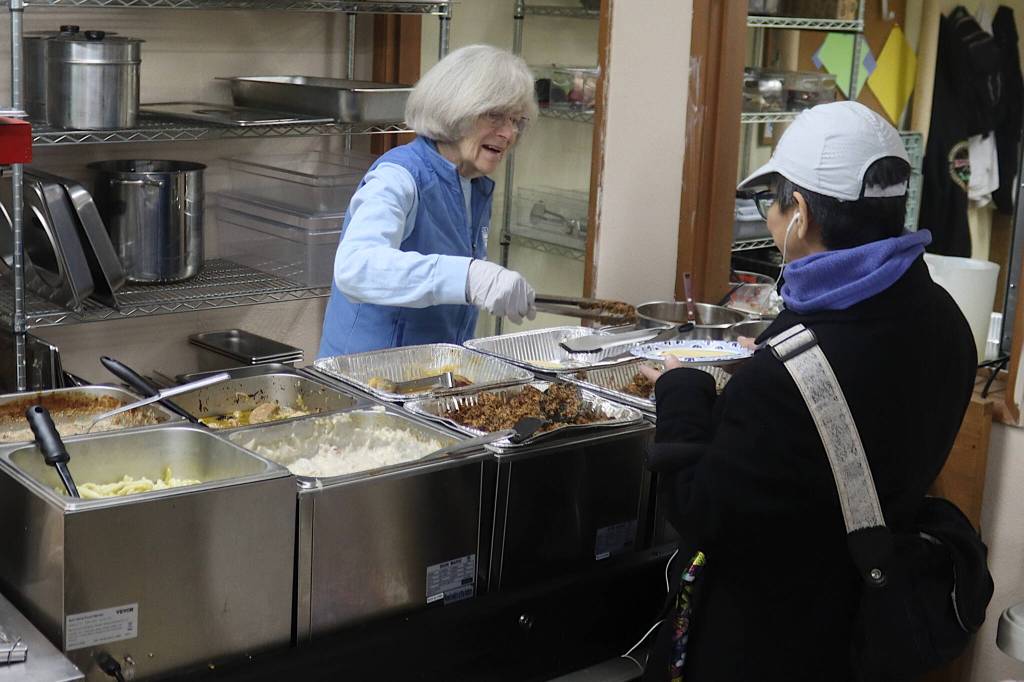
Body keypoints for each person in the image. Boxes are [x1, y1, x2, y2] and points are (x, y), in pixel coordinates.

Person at [639, 101, 977, 681]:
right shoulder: (945, 317)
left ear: (799, 212)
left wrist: (681, 388)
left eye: (770, 201)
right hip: (867, 623)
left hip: (773, 637)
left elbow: (699, 509)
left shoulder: (784, 379)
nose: (770, 218)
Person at [318, 44, 539, 358]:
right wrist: (470, 277)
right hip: (367, 385)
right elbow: (355, 268)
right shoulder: (399, 176)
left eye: (516, 121)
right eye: (495, 116)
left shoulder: (473, 185)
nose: (507, 133)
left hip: (426, 378)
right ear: (456, 109)